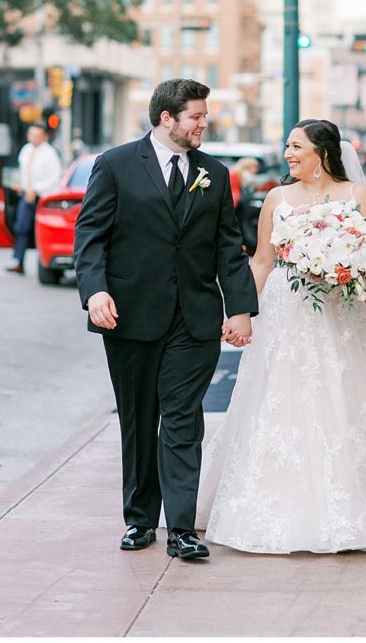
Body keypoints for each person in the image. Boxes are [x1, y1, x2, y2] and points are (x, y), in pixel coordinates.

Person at [197, 118, 366, 554]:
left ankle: (355, 509)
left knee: (343, 397)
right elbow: (263, 261)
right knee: (281, 400)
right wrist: (242, 311)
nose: (288, 154)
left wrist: (334, 263)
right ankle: (278, 505)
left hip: (342, 311)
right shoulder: (277, 198)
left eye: (296, 147)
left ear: (323, 154)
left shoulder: (358, 196)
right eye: (287, 146)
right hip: (289, 314)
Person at [73, 79, 258, 561]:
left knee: (181, 420)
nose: (204, 123)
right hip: (129, 317)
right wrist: (95, 291)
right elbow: (90, 235)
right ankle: (139, 520)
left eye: (204, 115)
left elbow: (226, 246)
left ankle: (181, 528)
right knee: (138, 420)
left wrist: (239, 306)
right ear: (166, 119)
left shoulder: (214, 174)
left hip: (194, 320)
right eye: (196, 116)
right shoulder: (114, 166)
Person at [6, 123, 62, 274]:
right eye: (31, 134)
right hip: (27, 195)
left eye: (37, 135)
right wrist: (22, 186)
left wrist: (36, 190)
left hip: (42, 197)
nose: (33, 138)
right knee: (21, 227)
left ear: (44, 136)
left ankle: (43, 264)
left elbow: (54, 177)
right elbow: (23, 172)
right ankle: (18, 260)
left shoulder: (50, 154)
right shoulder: (26, 150)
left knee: (41, 231)